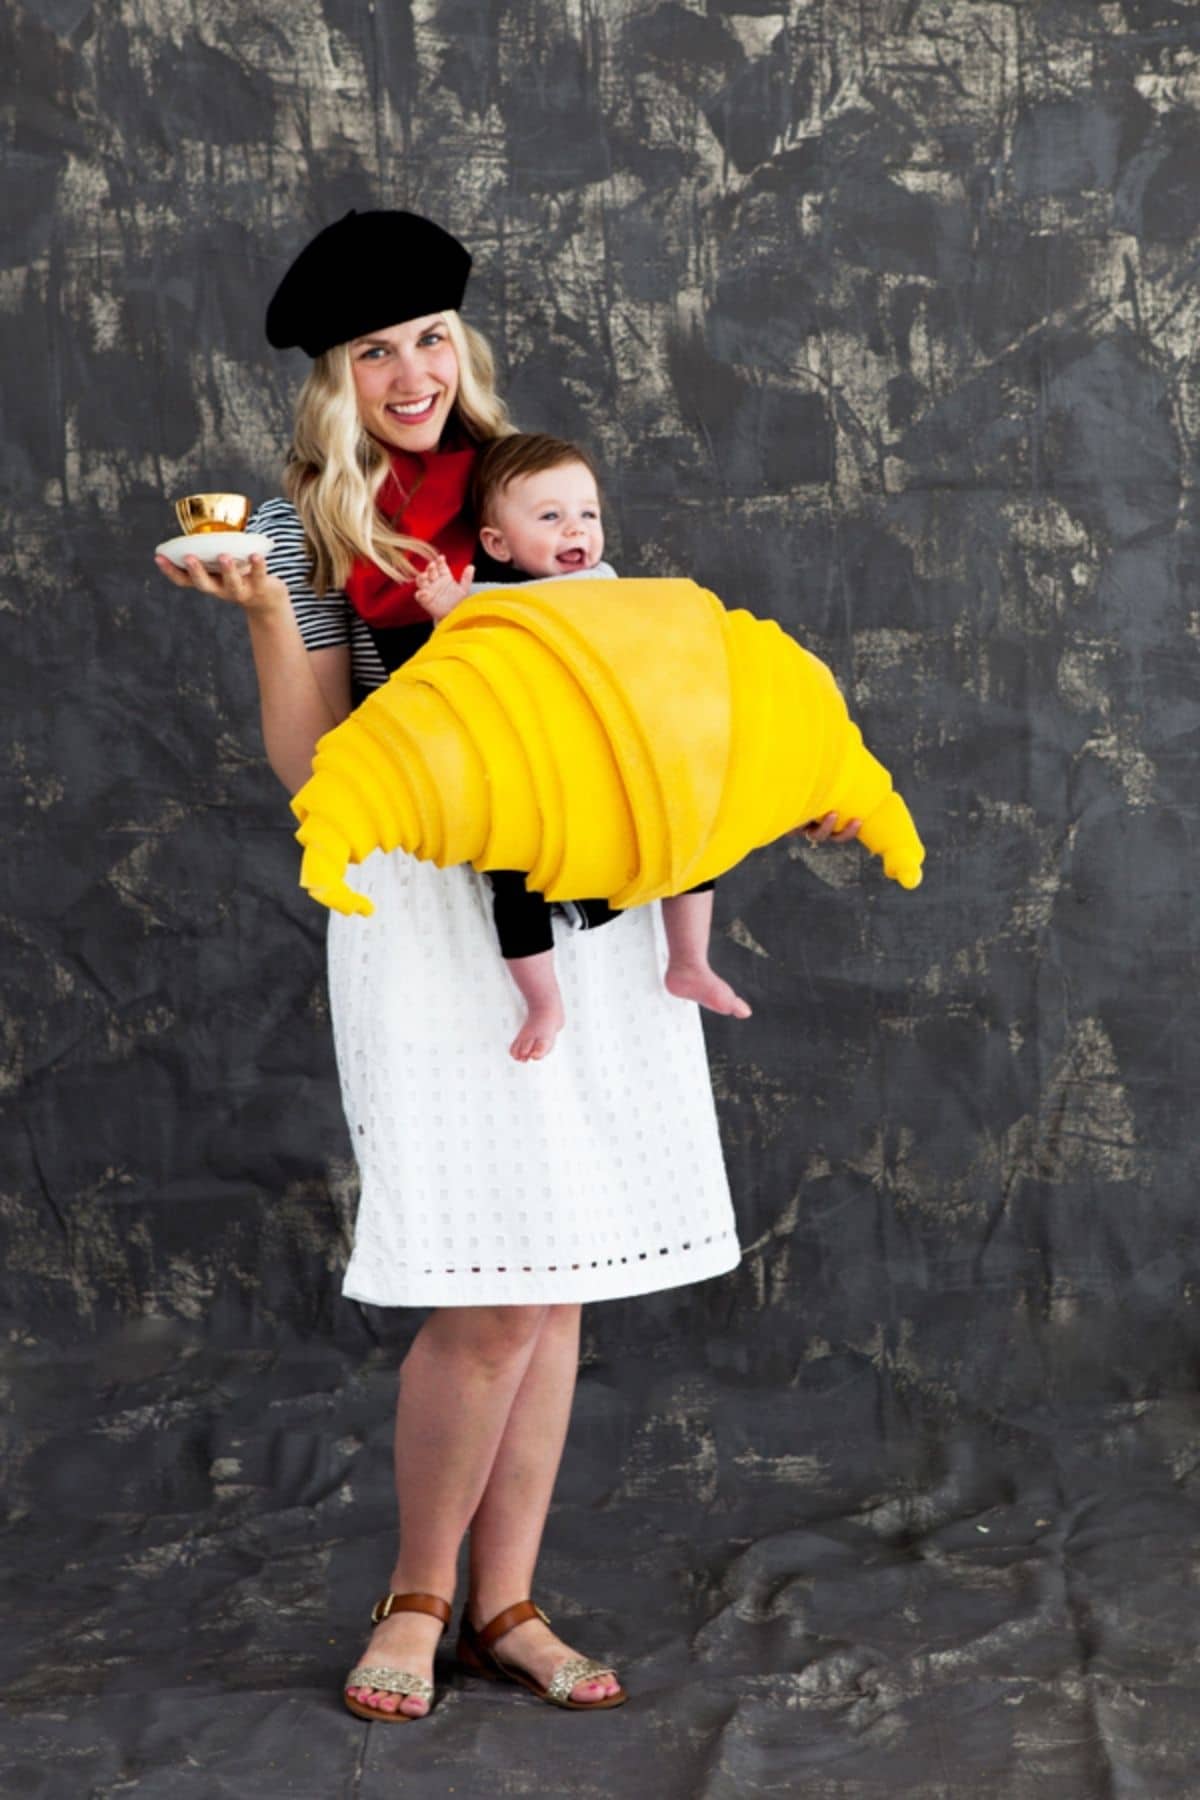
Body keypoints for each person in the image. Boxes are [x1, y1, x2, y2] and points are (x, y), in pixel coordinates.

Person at [154, 207, 861, 1725]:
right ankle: (417, 1597)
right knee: (489, 1290)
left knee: (560, 1280)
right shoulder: (300, 524)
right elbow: (314, 763)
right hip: (426, 917)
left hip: (585, 902)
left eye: (425, 339)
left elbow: (634, 679)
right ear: (330, 377)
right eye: (372, 352)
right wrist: (277, 611)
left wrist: (775, 770)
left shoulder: (526, 476)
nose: (409, 374)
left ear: (459, 344)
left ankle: (508, 1605)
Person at [413, 429, 753, 1064]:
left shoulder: (610, 584)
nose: (576, 530)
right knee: (513, 883)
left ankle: (688, 959)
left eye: (587, 514)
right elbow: (454, 675)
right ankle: (544, 1000)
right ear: (497, 543)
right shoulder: (488, 604)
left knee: (698, 831)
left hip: (612, 764)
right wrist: (445, 613)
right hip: (539, 777)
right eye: (550, 517)